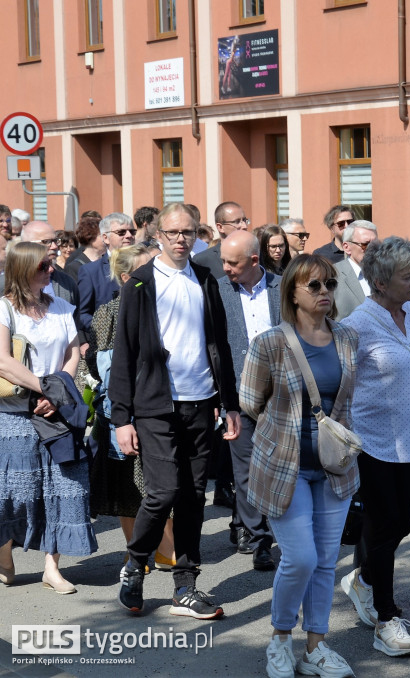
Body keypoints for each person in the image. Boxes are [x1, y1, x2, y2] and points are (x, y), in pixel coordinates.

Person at [109, 202, 241, 619]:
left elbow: (219, 344)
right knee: (163, 492)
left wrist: (230, 403)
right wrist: (121, 418)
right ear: (159, 236)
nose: (182, 240)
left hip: (201, 404)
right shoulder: (140, 285)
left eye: (188, 232)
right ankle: (135, 563)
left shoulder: (206, 279)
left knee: (192, 497)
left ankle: (185, 585)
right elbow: (124, 354)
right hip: (154, 407)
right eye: (173, 233)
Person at [239, 254, 360, 677]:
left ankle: (316, 647)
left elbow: (346, 401)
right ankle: (280, 639)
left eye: (329, 284)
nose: (325, 291)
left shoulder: (347, 338)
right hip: (284, 468)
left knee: (326, 560)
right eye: (314, 286)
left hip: (334, 467)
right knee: (301, 558)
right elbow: (250, 403)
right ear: (291, 291)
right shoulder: (270, 342)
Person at [339, 237, 410, 657]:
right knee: (383, 526)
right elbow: (341, 384)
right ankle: (385, 619)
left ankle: (363, 581)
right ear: (379, 280)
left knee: (402, 526)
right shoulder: (358, 323)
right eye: (406, 275)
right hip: (373, 441)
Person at [0, 242, 96, 593]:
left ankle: (51, 568)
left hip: (56, 413)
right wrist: (44, 389)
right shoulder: (4, 309)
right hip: (15, 415)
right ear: (23, 269)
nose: (50, 270)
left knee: (64, 489)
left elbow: (73, 354)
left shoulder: (60, 306)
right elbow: (3, 362)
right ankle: (5, 555)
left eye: (50, 264)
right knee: (12, 493)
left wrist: (59, 394)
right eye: (42, 266)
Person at [88, 245, 177, 572]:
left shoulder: (164, 307)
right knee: (126, 484)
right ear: (127, 277)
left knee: (162, 483)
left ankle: (167, 548)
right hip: (119, 412)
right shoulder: (108, 312)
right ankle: (135, 551)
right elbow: (101, 366)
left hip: (161, 406)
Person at [218, 231, 281, 571]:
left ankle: (282, 530)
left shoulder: (282, 287)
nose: (225, 268)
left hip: (279, 396)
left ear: (254, 261)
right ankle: (259, 540)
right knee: (245, 471)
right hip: (238, 396)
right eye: (223, 261)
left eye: (232, 262)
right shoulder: (217, 290)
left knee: (279, 467)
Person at [77, 212, 137, 330]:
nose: (129, 235)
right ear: (105, 238)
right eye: (121, 232)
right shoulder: (91, 272)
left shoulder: (146, 265)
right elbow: (82, 314)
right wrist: (108, 327)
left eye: (132, 231)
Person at [331, 220, 379, 319]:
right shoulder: (333, 275)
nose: (372, 250)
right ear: (347, 247)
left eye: (376, 245)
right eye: (365, 245)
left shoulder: (387, 275)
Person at [192, 201, 249, 277]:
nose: (244, 226)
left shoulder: (255, 254)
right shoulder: (202, 260)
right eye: (237, 222)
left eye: (244, 220)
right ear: (220, 227)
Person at [64, 215, 103, 281]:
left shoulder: (108, 261)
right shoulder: (74, 267)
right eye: (102, 235)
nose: (106, 238)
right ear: (90, 237)